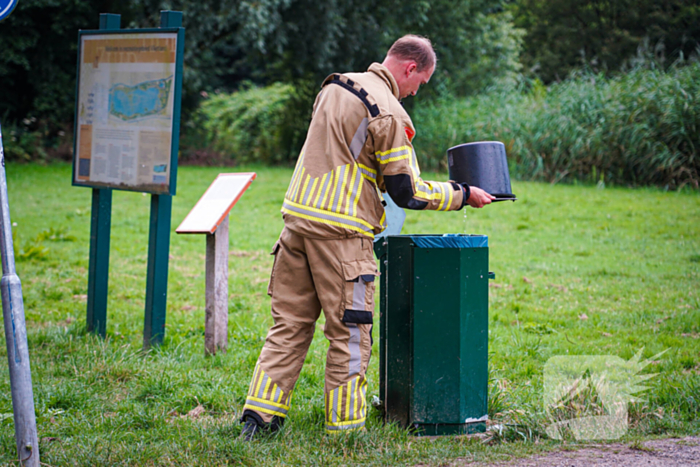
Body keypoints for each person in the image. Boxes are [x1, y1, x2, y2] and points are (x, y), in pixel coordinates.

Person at [240, 34, 494, 440]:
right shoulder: (388, 111)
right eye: (420, 83)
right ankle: (345, 433)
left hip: (297, 222)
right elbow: (406, 192)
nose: (416, 92)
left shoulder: (335, 86)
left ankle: (259, 418)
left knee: (288, 326)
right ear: (410, 68)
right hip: (342, 234)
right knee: (350, 335)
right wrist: (463, 194)